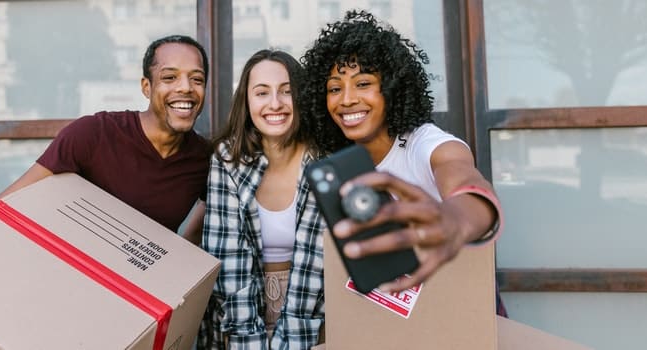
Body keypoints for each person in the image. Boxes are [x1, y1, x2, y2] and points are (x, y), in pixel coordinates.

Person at [0, 34, 211, 306]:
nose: (185, 88)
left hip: (134, 306)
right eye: (169, 77)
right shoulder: (94, 135)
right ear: (146, 87)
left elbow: (195, 237)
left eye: (196, 79)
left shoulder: (204, 161)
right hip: (61, 293)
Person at [299, 9, 505, 306]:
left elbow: (462, 174)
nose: (346, 99)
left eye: (363, 83)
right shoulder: (338, 164)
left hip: (463, 310)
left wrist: (456, 219)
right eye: (334, 88)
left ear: (392, 88)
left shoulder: (424, 143)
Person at [198, 49, 325, 349]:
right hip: (239, 312)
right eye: (262, 93)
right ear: (247, 101)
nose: (275, 104)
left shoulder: (323, 160)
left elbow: (314, 264)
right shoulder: (228, 159)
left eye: (287, 92)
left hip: (313, 313)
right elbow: (227, 259)